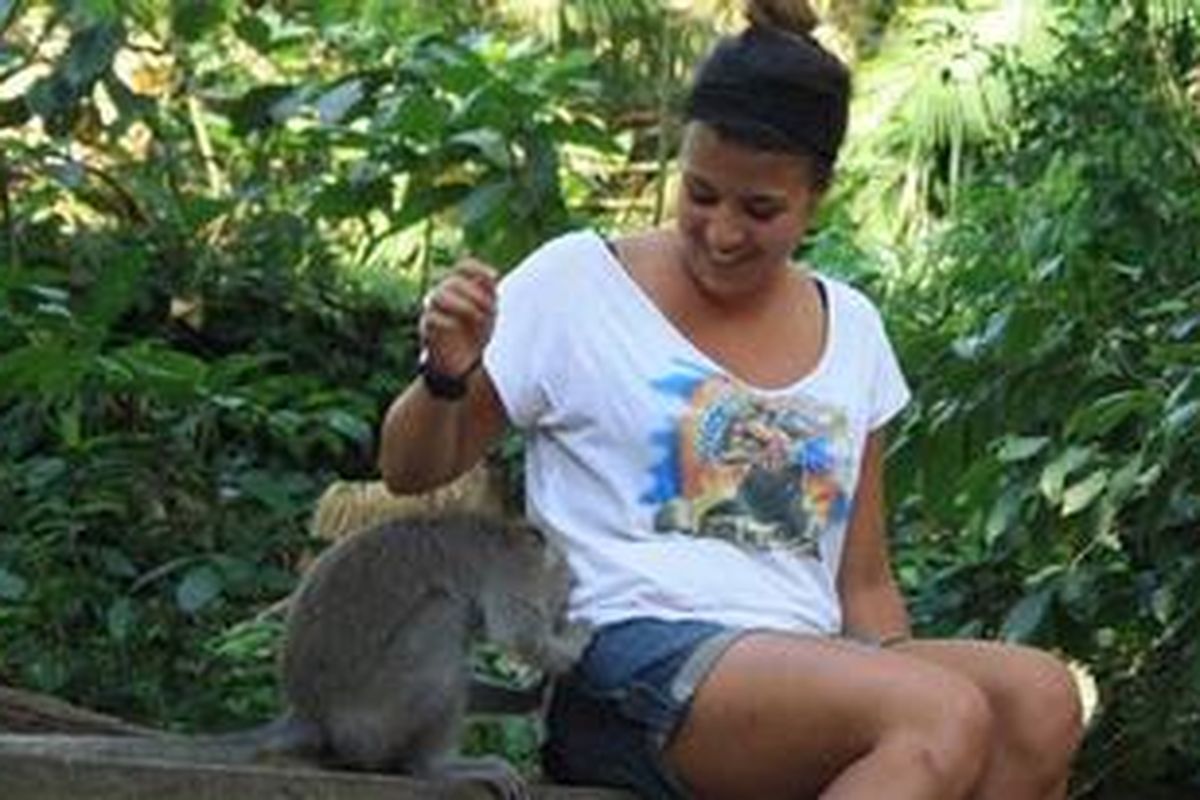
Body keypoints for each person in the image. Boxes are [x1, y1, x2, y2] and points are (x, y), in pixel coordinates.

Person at [378, 0, 1083, 797]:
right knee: (939, 715)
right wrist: (446, 375)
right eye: (701, 194)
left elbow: (865, 586)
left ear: (817, 196)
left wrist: (905, 719)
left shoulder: (852, 328)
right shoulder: (576, 282)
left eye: (759, 210)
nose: (719, 232)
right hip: (622, 663)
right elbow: (409, 469)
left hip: (798, 667)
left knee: (1040, 701)